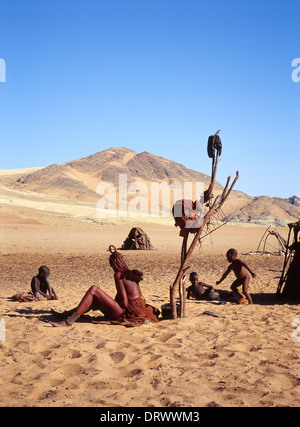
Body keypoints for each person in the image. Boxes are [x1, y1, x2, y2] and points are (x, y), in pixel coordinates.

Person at [50, 245, 160, 327]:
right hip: (137, 310)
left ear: (114, 265)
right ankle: (64, 315)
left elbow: (124, 303)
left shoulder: (119, 274)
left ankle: (68, 321)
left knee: (94, 290)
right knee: (93, 301)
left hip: (126, 313)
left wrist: (112, 302)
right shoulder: (132, 274)